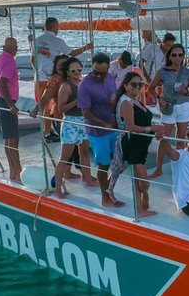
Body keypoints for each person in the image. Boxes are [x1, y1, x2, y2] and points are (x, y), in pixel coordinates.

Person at [77, 52, 125, 209]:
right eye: (96, 72)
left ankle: (109, 190)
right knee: (103, 165)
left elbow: (114, 99)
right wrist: (103, 123)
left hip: (113, 127)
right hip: (98, 131)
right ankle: (105, 197)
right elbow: (85, 112)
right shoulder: (84, 84)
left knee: (117, 162)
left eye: (102, 73)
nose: (99, 76)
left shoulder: (110, 78)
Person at [32, 17, 93, 137]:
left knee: (44, 103)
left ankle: (47, 131)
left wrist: (38, 72)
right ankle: (54, 129)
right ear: (55, 26)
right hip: (52, 75)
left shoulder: (37, 40)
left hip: (39, 77)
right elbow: (72, 53)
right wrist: (87, 46)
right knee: (54, 104)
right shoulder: (58, 41)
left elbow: (32, 59)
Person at [149, 43, 189, 178]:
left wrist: (186, 92)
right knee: (164, 138)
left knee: (181, 138)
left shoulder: (187, 72)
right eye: (174, 55)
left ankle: (179, 165)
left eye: (180, 55)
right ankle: (158, 168)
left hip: (184, 107)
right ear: (169, 56)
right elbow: (150, 89)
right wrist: (159, 98)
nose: (177, 58)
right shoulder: (162, 71)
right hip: (168, 107)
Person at [115, 71, 157, 218]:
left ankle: (141, 206)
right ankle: (142, 204)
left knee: (139, 178)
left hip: (141, 144)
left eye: (140, 84)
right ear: (126, 85)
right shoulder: (126, 102)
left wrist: (154, 128)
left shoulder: (135, 100)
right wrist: (152, 129)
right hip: (132, 144)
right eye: (134, 84)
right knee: (143, 181)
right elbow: (131, 127)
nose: (138, 87)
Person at [0, 37, 22, 182]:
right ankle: (18, 171)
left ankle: (13, 170)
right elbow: (3, 83)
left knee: (8, 138)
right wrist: (10, 105)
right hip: (4, 103)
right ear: (14, 49)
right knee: (13, 139)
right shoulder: (9, 61)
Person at [52, 58, 88, 197]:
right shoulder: (66, 86)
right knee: (65, 157)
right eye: (73, 70)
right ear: (67, 72)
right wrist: (77, 101)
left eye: (79, 69)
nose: (77, 72)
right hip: (71, 122)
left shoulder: (82, 83)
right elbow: (61, 108)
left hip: (84, 121)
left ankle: (87, 177)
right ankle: (57, 190)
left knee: (84, 152)